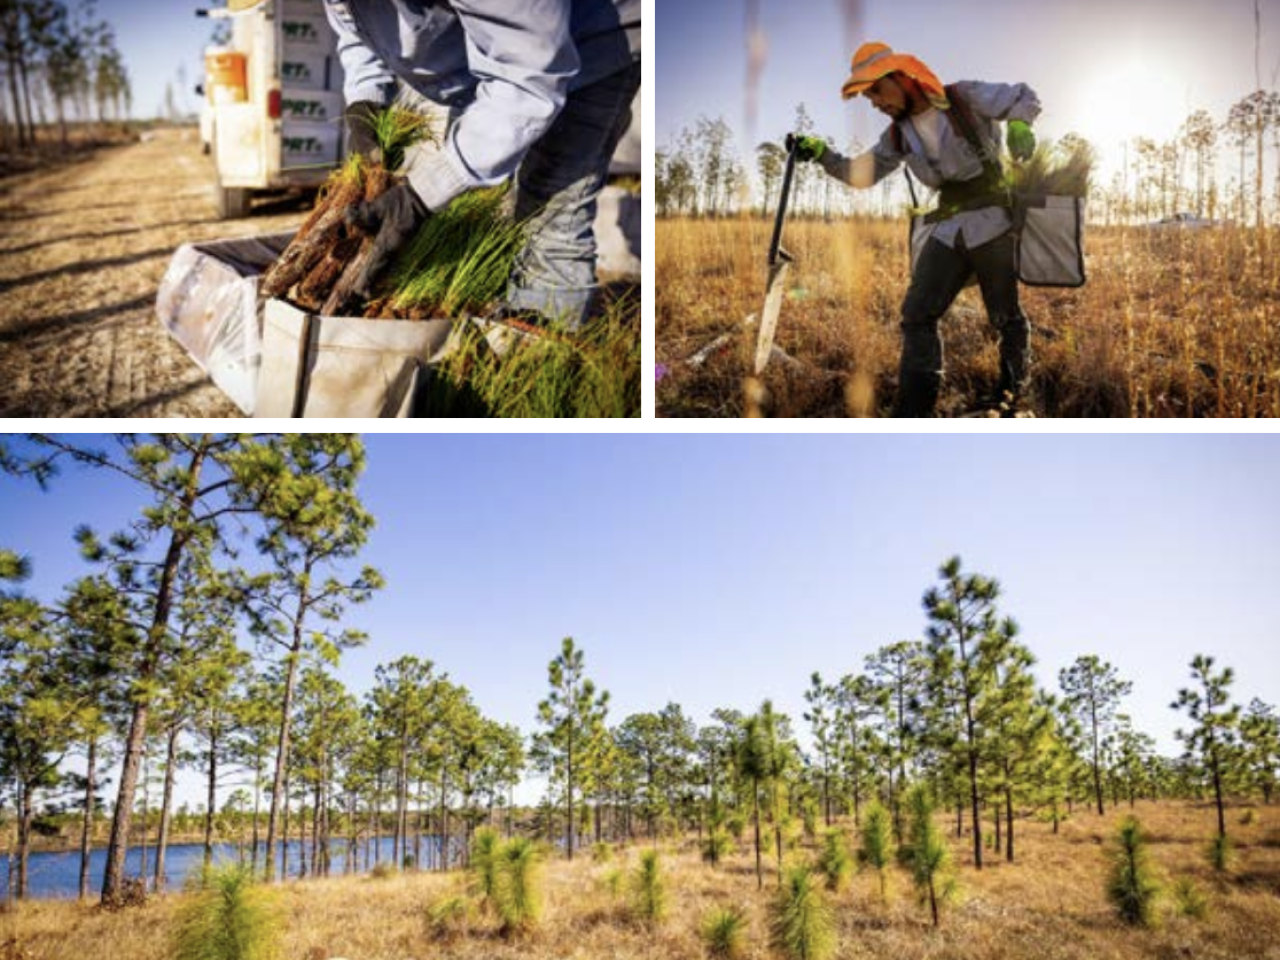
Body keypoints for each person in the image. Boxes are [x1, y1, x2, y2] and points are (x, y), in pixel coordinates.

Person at [229, 0, 640, 329]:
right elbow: (354, 23)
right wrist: (365, 97)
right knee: (469, 203)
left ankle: (541, 360)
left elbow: (532, 76)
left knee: (549, 215)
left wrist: (420, 196)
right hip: (495, 62)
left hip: (594, 47)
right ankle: (492, 325)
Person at [788, 42, 1040, 416]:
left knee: (1005, 316)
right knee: (917, 314)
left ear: (902, 78)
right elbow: (860, 175)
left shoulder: (963, 97)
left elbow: (1021, 95)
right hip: (946, 227)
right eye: (866, 96)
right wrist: (822, 153)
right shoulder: (898, 136)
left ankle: (1009, 396)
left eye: (875, 90)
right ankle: (913, 410)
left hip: (993, 223)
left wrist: (1019, 122)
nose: (873, 103)